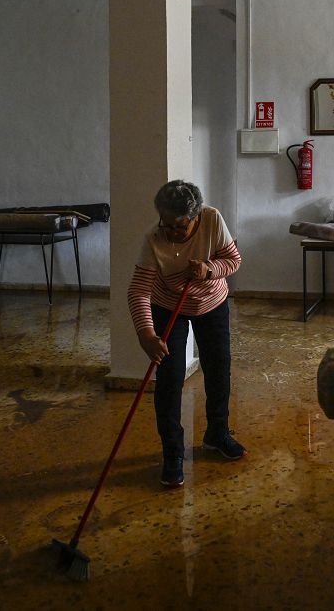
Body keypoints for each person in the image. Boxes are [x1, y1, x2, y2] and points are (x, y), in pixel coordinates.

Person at [128, 180, 245, 488]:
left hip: (212, 302)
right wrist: (146, 335)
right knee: (169, 379)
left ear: (196, 216)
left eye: (180, 227)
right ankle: (172, 453)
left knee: (218, 370)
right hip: (169, 306)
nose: (173, 233)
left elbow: (233, 260)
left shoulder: (212, 219)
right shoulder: (154, 239)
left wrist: (209, 269)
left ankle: (217, 434)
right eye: (167, 225)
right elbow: (139, 291)